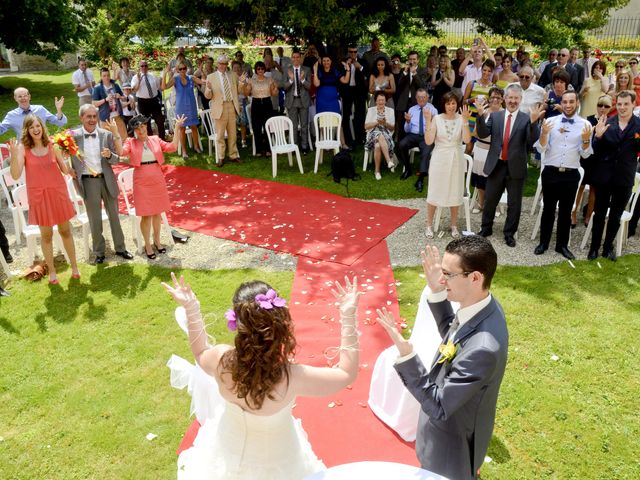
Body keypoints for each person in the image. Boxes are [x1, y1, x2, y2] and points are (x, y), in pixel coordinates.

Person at [162, 273, 360, 479]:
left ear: (237, 322)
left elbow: (200, 352)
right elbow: (346, 373)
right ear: (279, 323)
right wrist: (348, 315)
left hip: (226, 452)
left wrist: (191, 307)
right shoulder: (292, 377)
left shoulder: (221, 361)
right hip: (280, 462)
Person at [376, 237, 508, 480]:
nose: (441, 279)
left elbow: (438, 406)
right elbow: (453, 331)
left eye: (448, 274)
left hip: (452, 446)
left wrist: (408, 357)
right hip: (443, 431)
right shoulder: (482, 307)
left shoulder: (484, 349)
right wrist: (438, 292)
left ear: (475, 277)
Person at [8, 115, 80, 284]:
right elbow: (15, 174)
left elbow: (64, 169)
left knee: (65, 231)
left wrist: (69, 156)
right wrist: (12, 155)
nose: (36, 129)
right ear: (27, 130)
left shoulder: (52, 146)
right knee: (46, 236)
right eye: (32, 127)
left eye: (38, 126)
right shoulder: (23, 150)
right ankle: (52, 272)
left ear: (42, 127)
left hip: (58, 194)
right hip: (39, 197)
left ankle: (75, 267)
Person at [475, 84, 546, 247]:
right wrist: (480, 116)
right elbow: (484, 133)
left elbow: (531, 141)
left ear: (520, 100)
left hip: (516, 166)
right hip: (497, 164)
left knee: (514, 203)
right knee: (490, 199)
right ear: (505, 99)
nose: (513, 101)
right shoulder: (496, 116)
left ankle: (509, 233)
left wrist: (534, 123)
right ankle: (486, 228)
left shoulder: (526, 118)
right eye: (510, 97)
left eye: (516, 98)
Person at [70, 104, 133, 264]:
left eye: (94, 116)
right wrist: (68, 169)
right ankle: (99, 252)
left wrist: (109, 155)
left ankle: (121, 247)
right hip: (88, 181)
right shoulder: (72, 137)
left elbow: (116, 158)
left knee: (114, 216)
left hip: (107, 179)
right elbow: (60, 153)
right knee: (95, 218)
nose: (92, 119)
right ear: (81, 118)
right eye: (88, 116)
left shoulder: (106, 134)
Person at [533, 91, 593, 260]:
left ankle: (562, 246)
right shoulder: (550, 122)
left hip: (571, 175)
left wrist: (587, 140)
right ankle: (543, 243)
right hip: (551, 173)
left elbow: (586, 154)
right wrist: (544, 134)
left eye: (571, 101)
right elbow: (541, 149)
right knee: (548, 210)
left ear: (577, 103)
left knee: (566, 212)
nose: (568, 105)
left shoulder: (585, 125)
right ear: (562, 103)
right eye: (565, 101)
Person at [118, 114, 186, 259]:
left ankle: (157, 241)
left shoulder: (155, 139)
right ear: (134, 131)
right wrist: (115, 134)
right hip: (141, 181)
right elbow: (121, 152)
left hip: (157, 178)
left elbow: (172, 147)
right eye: (137, 128)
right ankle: (147, 245)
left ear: (146, 126)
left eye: (142, 126)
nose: (141, 130)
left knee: (157, 213)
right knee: (146, 215)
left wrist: (177, 128)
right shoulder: (131, 142)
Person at [588, 91, 640, 261]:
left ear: (633, 104)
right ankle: (594, 248)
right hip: (604, 177)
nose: (622, 107)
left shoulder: (639, 126)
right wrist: (598, 136)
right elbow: (595, 150)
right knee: (600, 213)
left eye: (626, 104)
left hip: (624, 178)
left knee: (616, 216)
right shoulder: (607, 123)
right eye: (619, 104)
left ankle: (607, 247)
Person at [423, 93, 472, 238]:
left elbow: (467, 139)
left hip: (456, 158)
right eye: (448, 103)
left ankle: (454, 225)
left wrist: (465, 121)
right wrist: (427, 120)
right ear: (443, 105)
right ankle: (429, 225)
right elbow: (428, 141)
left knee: (455, 191)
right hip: (440, 158)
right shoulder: (437, 119)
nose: (451, 106)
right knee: (434, 190)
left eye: (453, 103)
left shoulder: (461, 118)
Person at [572, 95, 612, 228]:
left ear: (610, 108)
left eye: (606, 106)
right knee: (580, 186)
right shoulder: (588, 120)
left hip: (600, 160)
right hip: (586, 158)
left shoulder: (611, 123)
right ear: (597, 106)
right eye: (600, 105)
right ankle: (573, 214)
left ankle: (588, 216)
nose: (603, 108)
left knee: (594, 189)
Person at [205, 54, 242, 167]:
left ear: (227, 64)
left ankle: (233, 155)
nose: (223, 66)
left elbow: (238, 91)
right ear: (217, 64)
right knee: (220, 134)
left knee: (233, 133)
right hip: (219, 107)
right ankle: (221, 157)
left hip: (231, 105)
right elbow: (208, 96)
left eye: (225, 63)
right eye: (221, 63)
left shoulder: (233, 75)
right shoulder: (211, 77)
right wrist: (209, 88)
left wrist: (242, 83)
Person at [161, 61, 203, 159]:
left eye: (184, 68)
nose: (183, 70)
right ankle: (184, 151)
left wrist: (207, 78)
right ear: (177, 70)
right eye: (180, 69)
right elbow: (163, 87)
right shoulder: (175, 79)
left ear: (186, 68)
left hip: (191, 106)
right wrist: (165, 74)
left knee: (194, 127)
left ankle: (196, 146)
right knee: (182, 129)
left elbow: (202, 81)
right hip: (181, 107)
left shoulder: (191, 77)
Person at [472, 87, 504, 214]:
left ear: (502, 100)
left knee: (494, 179)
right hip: (481, 148)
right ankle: (481, 203)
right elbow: (475, 132)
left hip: (495, 150)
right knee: (480, 179)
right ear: (489, 99)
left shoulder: (505, 114)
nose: (495, 100)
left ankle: (493, 205)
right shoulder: (482, 112)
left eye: (498, 97)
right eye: (492, 97)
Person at [396, 89, 437, 185]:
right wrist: (408, 122)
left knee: (425, 153)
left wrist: (430, 121)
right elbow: (407, 130)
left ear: (427, 98)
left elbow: (436, 127)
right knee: (401, 145)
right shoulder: (412, 109)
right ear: (416, 98)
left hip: (426, 136)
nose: (421, 99)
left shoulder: (433, 110)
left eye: (423, 97)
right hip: (413, 135)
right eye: (419, 97)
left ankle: (421, 178)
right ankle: (408, 169)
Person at [240, 61, 278, 157]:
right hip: (256, 103)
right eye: (258, 69)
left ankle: (269, 149)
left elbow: (274, 94)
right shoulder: (251, 80)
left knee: (268, 127)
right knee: (257, 128)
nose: (260, 70)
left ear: (264, 69)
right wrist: (244, 84)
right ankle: (258, 150)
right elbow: (246, 94)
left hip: (267, 103)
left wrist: (275, 89)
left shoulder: (270, 79)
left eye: (262, 68)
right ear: (256, 70)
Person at [0, 87, 67, 138]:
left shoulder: (40, 109)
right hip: (24, 150)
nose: (23, 98)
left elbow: (60, 123)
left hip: (43, 146)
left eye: (25, 95)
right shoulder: (11, 115)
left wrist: (59, 109)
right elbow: (1, 130)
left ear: (29, 97)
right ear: (15, 98)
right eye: (20, 96)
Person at [283, 49, 312, 154]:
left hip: (303, 100)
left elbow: (309, 86)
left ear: (300, 58)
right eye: (294, 57)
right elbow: (284, 87)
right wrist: (291, 80)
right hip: (292, 101)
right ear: (291, 58)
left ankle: (304, 146)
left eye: (297, 57)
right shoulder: (287, 70)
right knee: (293, 126)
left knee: (304, 125)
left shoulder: (307, 70)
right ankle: (295, 147)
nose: (295, 59)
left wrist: (303, 80)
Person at [341, 46, 369, 148]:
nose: (353, 54)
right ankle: (348, 139)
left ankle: (360, 137)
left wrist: (360, 67)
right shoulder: (343, 62)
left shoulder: (362, 61)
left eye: (355, 52)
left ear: (357, 52)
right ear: (348, 52)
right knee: (346, 115)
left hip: (359, 91)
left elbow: (368, 74)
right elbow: (340, 76)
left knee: (360, 114)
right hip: (347, 91)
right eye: (351, 52)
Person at [131, 60, 166, 140]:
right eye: (142, 66)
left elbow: (159, 88)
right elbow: (134, 90)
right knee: (146, 123)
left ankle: (162, 140)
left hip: (154, 101)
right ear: (139, 67)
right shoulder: (135, 77)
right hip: (143, 102)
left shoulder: (152, 75)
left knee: (160, 120)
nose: (144, 67)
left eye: (145, 66)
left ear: (148, 67)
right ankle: (150, 142)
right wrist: (139, 81)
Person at [364, 91, 395, 180]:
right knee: (379, 134)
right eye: (379, 100)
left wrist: (385, 123)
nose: (381, 102)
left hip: (386, 135)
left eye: (383, 100)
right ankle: (388, 161)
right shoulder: (371, 110)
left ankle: (377, 171)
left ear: (386, 101)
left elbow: (392, 128)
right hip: (372, 134)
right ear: (376, 101)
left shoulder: (390, 111)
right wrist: (377, 122)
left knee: (377, 146)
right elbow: (366, 126)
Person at [395, 51, 425, 142]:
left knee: (413, 125)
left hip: (415, 102)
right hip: (403, 102)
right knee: (401, 126)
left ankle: (412, 145)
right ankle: (399, 147)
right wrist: (404, 72)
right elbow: (399, 84)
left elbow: (421, 87)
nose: (412, 61)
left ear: (418, 60)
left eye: (414, 59)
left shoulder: (422, 71)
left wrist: (414, 74)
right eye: (410, 59)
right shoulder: (403, 70)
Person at [92, 67, 128, 141]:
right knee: (108, 141)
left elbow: (124, 97)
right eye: (104, 76)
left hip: (118, 116)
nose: (107, 77)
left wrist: (120, 96)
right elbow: (94, 104)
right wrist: (105, 99)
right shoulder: (97, 88)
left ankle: (124, 152)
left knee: (124, 138)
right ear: (101, 77)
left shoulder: (115, 85)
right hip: (106, 119)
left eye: (108, 75)